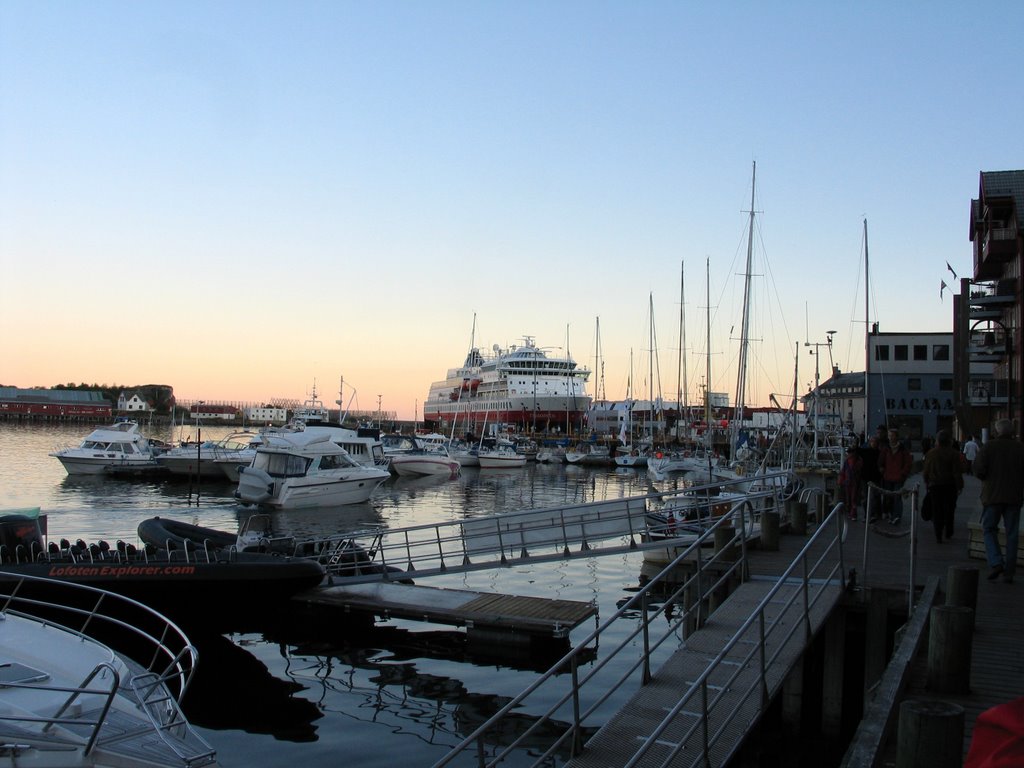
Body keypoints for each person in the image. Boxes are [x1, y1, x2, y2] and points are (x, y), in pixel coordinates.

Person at [973, 418, 1024, 584]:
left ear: (997, 431)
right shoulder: (1020, 448)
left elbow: (979, 469)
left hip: (992, 495)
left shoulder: (989, 447)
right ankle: (1009, 572)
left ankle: (996, 562)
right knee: (1012, 534)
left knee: (988, 529)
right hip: (1014, 496)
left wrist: (988, 478)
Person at [922, 430, 963, 543]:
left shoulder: (931, 453)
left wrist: (926, 482)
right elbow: (957, 472)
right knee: (950, 508)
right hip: (950, 485)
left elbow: (926, 470)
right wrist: (960, 485)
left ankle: (938, 533)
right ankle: (949, 530)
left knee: (937, 509)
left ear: (937, 441)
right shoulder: (954, 454)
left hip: (935, 485)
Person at [879, 428, 912, 524]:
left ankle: (896, 516)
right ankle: (890, 513)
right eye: (889, 436)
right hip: (888, 476)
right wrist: (882, 469)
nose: (890, 438)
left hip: (898, 477)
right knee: (888, 497)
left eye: (892, 435)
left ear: (897, 437)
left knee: (897, 497)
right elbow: (881, 461)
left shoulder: (902, 449)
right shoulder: (886, 449)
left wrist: (903, 473)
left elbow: (908, 463)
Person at [860, 434, 883, 520]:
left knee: (874, 497)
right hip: (865, 477)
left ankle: (873, 514)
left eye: (875, 442)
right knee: (866, 497)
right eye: (872, 442)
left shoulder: (880, 453)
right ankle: (867, 514)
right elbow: (856, 451)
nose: (873, 443)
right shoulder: (866, 451)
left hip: (875, 477)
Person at [838, 445, 863, 520]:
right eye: (848, 452)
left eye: (850, 452)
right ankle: (849, 513)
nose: (849, 454)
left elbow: (858, 471)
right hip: (847, 482)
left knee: (853, 499)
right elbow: (843, 472)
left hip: (855, 483)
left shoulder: (858, 461)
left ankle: (853, 514)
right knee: (848, 499)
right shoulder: (847, 461)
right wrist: (840, 481)